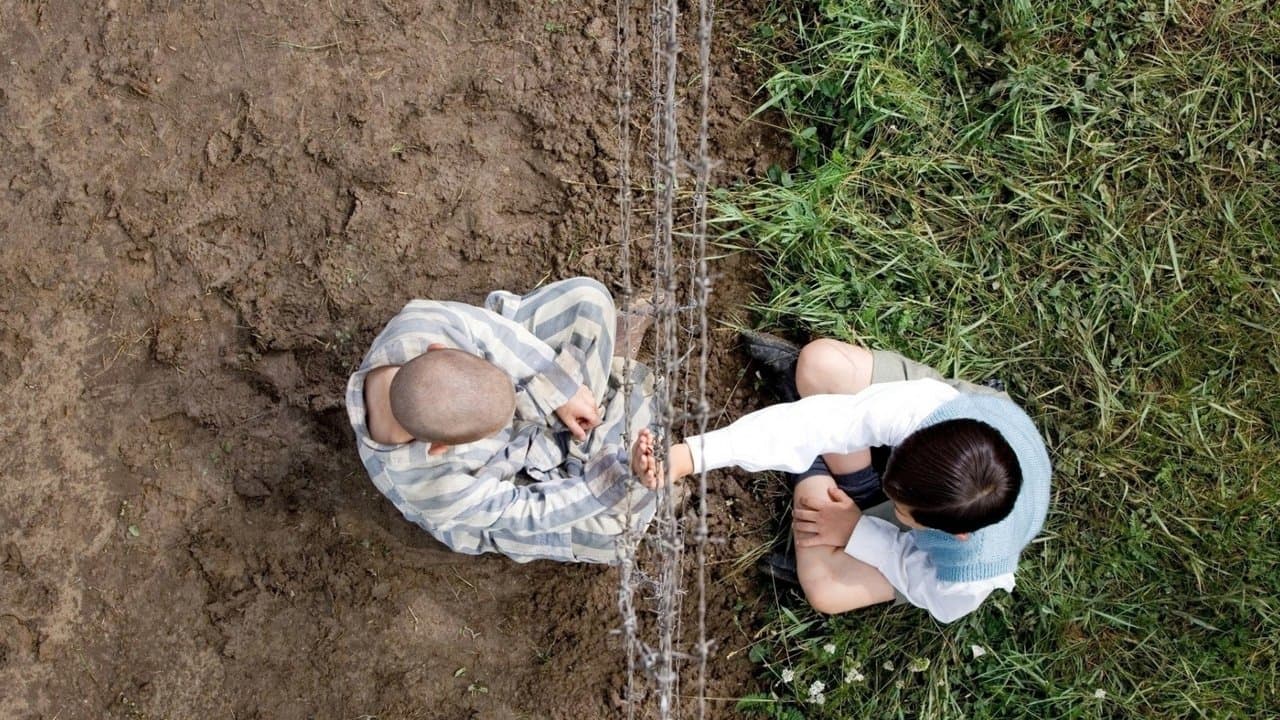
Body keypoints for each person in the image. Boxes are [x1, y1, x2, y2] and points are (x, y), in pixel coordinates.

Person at [664, 335, 1051, 623]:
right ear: (920, 436)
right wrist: (689, 456)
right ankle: (853, 483)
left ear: (956, 534)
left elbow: (916, 577)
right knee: (820, 364)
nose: (895, 506)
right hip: (959, 427)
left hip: (936, 541)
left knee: (826, 588)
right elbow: (827, 423)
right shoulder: (927, 410)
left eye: (901, 509)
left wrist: (858, 531)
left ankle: (813, 470)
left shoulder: (970, 574)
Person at [345, 277, 662, 564]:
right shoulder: (435, 488)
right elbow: (524, 511)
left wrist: (558, 390)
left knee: (589, 300)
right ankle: (595, 448)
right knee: (618, 534)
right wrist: (600, 486)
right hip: (505, 478)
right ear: (440, 447)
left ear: (438, 349)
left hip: (533, 390)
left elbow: (496, 336)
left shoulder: (422, 323)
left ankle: (588, 434)